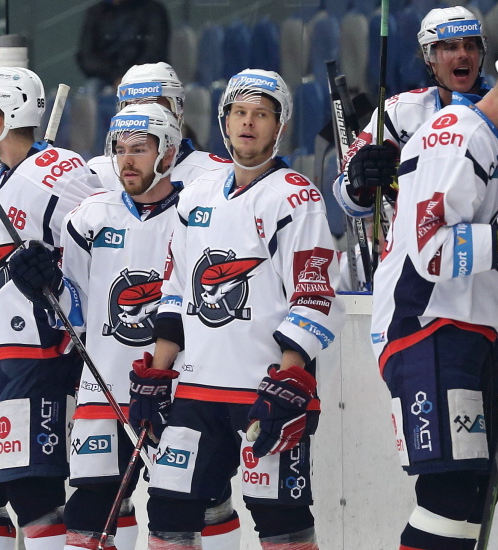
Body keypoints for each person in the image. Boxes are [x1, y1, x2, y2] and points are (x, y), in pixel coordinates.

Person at [370, 27, 498, 549]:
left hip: (477, 331)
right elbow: (431, 250)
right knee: (448, 494)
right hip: (425, 325)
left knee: (476, 498)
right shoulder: (455, 135)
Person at [7, 103, 242, 550]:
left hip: (179, 392)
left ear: (168, 152)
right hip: (105, 388)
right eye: (119, 149)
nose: (126, 160)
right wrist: (46, 285)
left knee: (185, 513)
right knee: (87, 515)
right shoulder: (90, 216)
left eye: (140, 148)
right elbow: (75, 308)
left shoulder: (200, 212)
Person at [129, 69, 345, 549]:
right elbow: (176, 290)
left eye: (261, 115)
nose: (248, 123)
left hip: (265, 393)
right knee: (167, 510)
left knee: (282, 522)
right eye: (240, 112)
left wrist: (289, 380)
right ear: (224, 121)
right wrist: (158, 372)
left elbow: (314, 296)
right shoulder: (196, 196)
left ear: (279, 126)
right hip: (196, 392)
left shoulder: (296, 197)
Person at [0, 66, 101, 550]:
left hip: (43, 353)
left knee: (32, 492)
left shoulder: (65, 174)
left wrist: (57, 278)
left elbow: (105, 256)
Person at [332, 6, 493, 220]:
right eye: (451, 47)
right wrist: (358, 182)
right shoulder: (398, 112)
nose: (463, 54)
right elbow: (345, 199)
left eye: (470, 46)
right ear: (429, 57)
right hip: (413, 238)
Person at [85, 62, 232, 193]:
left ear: (178, 111)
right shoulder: (97, 172)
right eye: (134, 106)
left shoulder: (217, 173)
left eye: (155, 105)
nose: (147, 114)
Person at [76, 0, 171, 88]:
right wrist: (115, 77)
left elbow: (154, 51)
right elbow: (87, 56)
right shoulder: (96, 13)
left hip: (146, 77)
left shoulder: (152, 10)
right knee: (92, 88)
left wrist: (128, 77)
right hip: (105, 79)